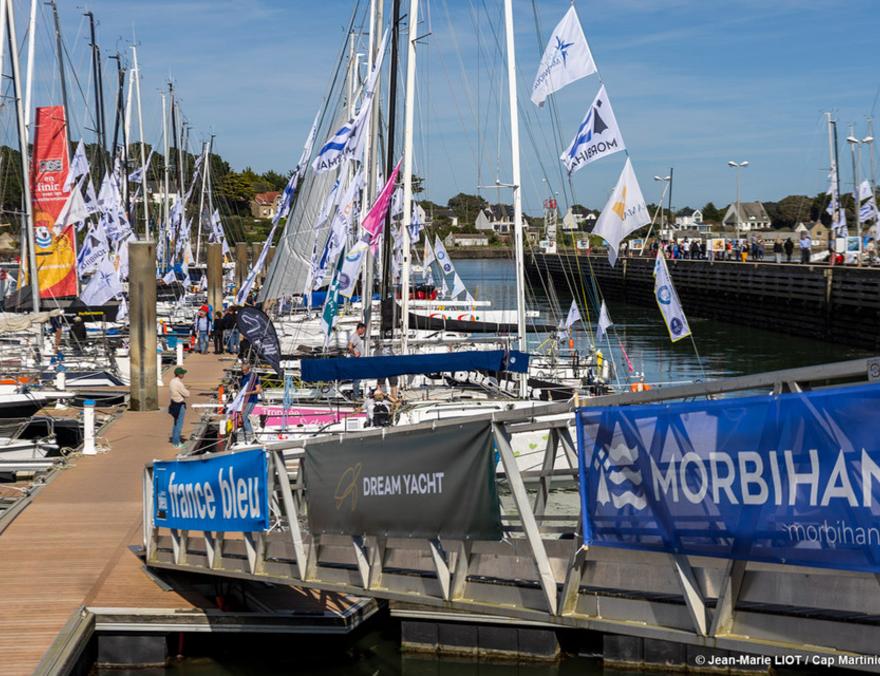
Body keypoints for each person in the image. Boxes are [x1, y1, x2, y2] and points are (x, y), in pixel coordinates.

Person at [239, 362, 262, 442]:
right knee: (244, 418)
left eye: (245, 370)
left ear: (248, 369)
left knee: (244, 418)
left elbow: (258, 390)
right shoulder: (243, 376)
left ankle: (251, 436)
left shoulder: (253, 377)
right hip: (244, 400)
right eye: (242, 370)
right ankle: (249, 434)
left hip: (251, 399)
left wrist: (248, 393)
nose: (243, 372)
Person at [168, 367, 190, 448]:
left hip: (173, 404)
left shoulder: (172, 381)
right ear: (179, 374)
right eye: (182, 373)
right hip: (179, 404)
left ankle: (175, 440)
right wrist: (187, 390)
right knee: (179, 424)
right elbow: (187, 394)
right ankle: (176, 443)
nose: (184, 375)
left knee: (175, 423)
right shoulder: (178, 383)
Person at [348, 322, 366, 399]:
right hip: (356, 360)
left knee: (358, 379)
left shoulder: (357, 336)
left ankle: (356, 395)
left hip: (358, 360)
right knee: (357, 379)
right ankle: (356, 396)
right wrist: (354, 353)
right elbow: (350, 346)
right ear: (359, 329)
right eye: (363, 330)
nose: (364, 332)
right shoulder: (354, 336)